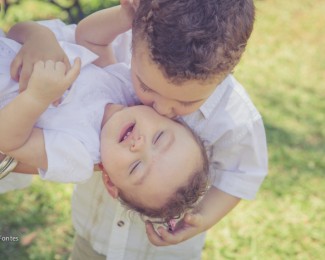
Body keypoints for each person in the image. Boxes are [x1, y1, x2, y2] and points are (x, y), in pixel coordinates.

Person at [6, 0, 268, 259]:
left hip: (161, 253)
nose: (163, 110)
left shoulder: (236, 117)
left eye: (187, 102)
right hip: (93, 235)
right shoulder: (120, 75)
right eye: (146, 87)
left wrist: (203, 217)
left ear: (227, 72)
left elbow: (243, 173)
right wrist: (124, 16)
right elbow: (87, 38)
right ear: (134, 43)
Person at [0, 33, 210, 223]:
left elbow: (7, 140)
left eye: (136, 167)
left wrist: (36, 98)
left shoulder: (79, 156)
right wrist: (41, 37)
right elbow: (88, 34)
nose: (138, 145)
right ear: (164, 115)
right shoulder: (124, 86)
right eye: (158, 138)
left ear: (110, 181)